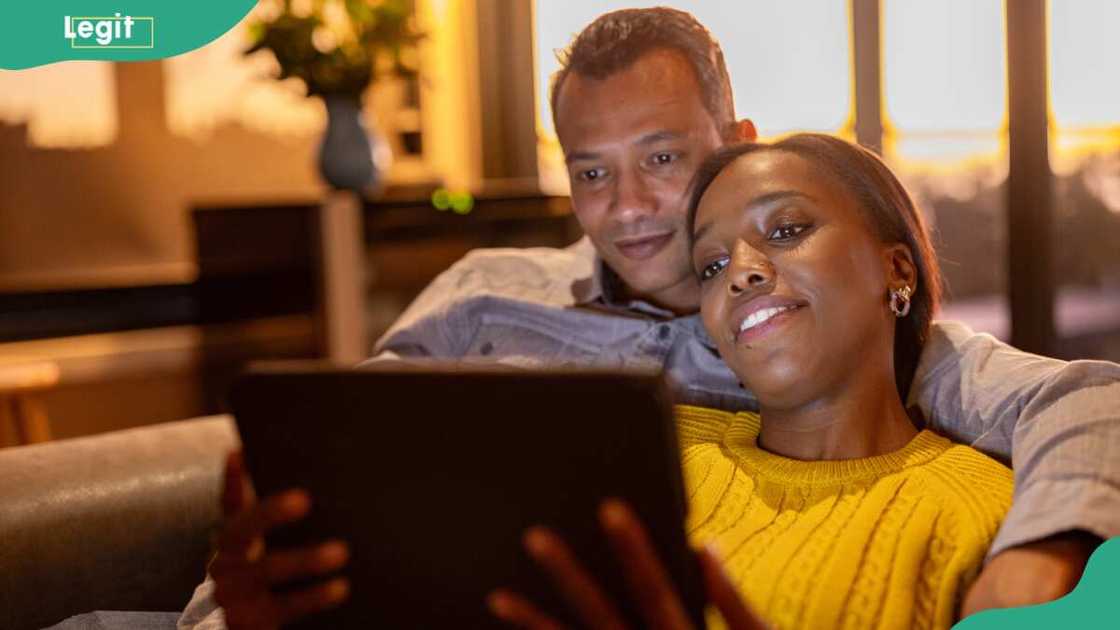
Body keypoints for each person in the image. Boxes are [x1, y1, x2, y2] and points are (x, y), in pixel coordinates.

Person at [179, 8, 1118, 630]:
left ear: (734, 143)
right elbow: (346, 462)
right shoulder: (485, 294)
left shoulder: (853, 339)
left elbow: (1083, 401)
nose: (628, 208)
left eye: (663, 158)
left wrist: (1036, 568)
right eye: (591, 171)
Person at [485, 134, 1014, 630]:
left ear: (897, 269)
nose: (740, 272)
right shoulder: (649, 447)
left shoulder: (989, 517)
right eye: (712, 265)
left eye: (786, 230)